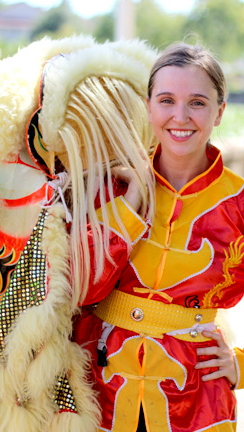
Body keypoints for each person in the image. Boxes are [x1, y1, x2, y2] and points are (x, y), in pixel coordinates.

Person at [73, 42, 244, 432]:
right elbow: (81, 287)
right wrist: (131, 202)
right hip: (100, 394)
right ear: (148, 106)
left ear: (220, 112)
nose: (180, 116)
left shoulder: (240, 203)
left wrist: (241, 364)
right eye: (166, 100)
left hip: (198, 403)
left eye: (197, 102)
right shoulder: (107, 184)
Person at [0, 35, 158, 431]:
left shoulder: (91, 179)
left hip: (106, 369)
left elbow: (87, 284)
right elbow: (85, 283)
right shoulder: (33, 184)